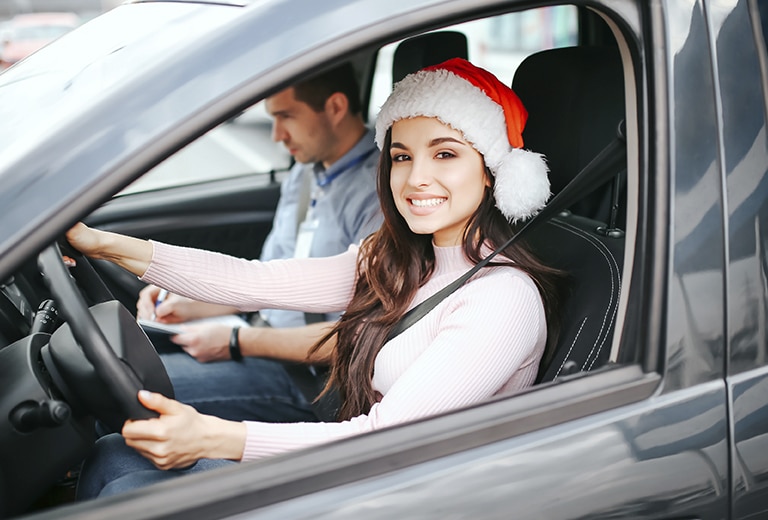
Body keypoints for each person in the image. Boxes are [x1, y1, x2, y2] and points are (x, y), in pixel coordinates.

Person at [71, 58, 562, 499]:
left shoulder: (502, 298)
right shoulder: (397, 259)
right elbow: (254, 281)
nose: (415, 180)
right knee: (114, 455)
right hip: (360, 469)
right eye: (402, 156)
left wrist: (212, 436)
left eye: (446, 154)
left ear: (494, 171)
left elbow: (385, 437)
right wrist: (105, 245)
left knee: (127, 489)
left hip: (403, 491)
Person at [137, 62, 382, 423]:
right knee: (130, 370)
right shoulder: (304, 173)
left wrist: (235, 343)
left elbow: (356, 339)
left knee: (131, 392)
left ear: (335, 107)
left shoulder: (377, 196)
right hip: (262, 339)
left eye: (287, 116)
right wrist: (191, 303)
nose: (277, 135)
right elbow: (267, 280)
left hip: (313, 380)